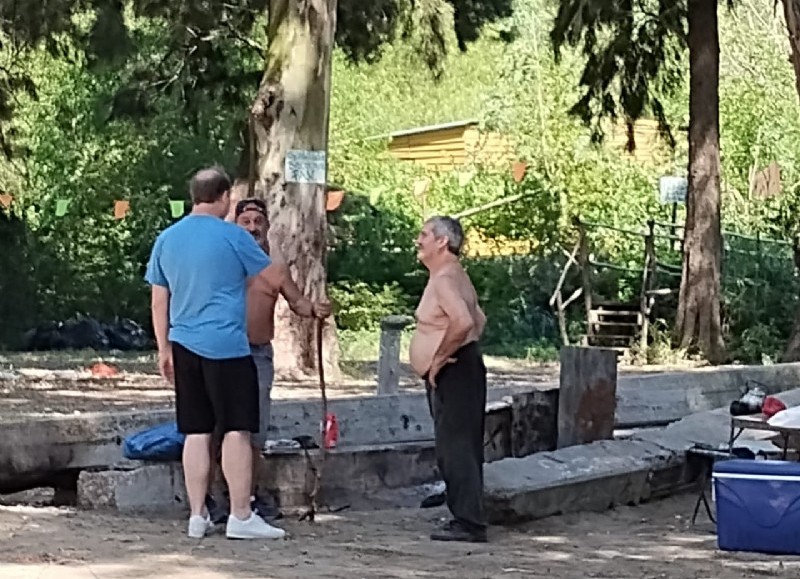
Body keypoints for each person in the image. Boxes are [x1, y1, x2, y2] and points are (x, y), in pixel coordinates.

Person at [144, 167, 285, 540]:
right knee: (237, 430)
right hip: (227, 346)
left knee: (195, 431)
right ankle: (241, 514)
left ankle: (196, 515)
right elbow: (270, 276)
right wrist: (304, 302)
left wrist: (163, 347)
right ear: (224, 198)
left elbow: (159, 300)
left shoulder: (167, 239)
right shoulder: (232, 236)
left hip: (183, 345)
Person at [205, 198, 332, 521]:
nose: (252, 227)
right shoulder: (221, 263)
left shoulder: (275, 268)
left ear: (267, 227)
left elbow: (298, 303)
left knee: (254, 431)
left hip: (258, 354)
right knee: (216, 428)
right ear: (234, 226)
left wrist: (316, 309)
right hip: (221, 352)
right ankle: (215, 496)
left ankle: (248, 494)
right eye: (245, 221)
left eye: (257, 221)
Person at [409, 215, 488, 543]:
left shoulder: (444, 279)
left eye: (425, 234)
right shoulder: (454, 275)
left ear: (442, 241)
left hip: (454, 369)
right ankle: (467, 511)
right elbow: (480, 319)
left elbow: (464, 321)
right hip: (463, 365)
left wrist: (439, 358)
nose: (419, 240)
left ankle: (469, 522)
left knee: (455, 446)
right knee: (460, 442)